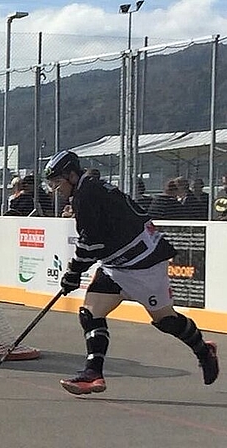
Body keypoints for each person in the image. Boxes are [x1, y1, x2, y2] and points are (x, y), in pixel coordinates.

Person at [43, 150, 218, 395]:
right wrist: (76, 271)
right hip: (116, 264)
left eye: (57, 183)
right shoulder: (86, 190)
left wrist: (73, 272)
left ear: (72, 175)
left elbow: (91, 242)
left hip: (143, 264)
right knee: (90, 312)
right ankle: (93, 373)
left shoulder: (87, 195)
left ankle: (203, 350)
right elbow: (96, 240)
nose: (55, 189)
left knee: (165, 321)